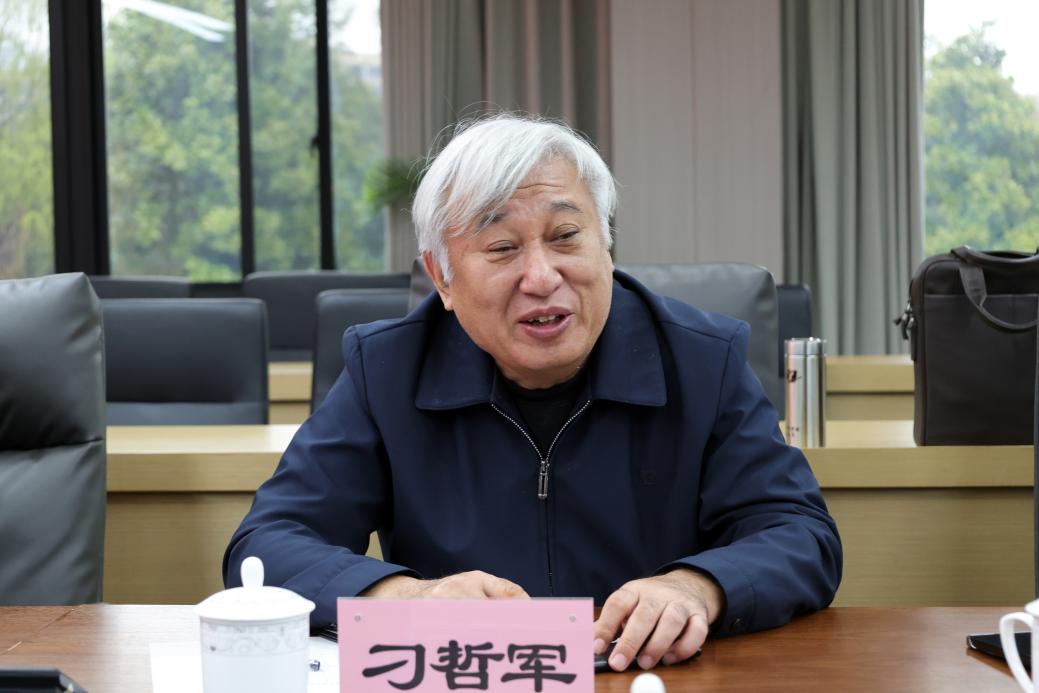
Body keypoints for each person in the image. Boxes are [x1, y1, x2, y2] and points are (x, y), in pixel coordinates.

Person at [224, 113, 842, 672]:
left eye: (566, 235)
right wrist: (409, 597)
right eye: (502, 248)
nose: (542, 277)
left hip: (647, 674)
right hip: (469, 679)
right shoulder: (387, 369)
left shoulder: (702, 358)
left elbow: (799, 533)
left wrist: (696, 587)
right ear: (441, 277)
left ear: (605, 244)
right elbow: (268, 545)